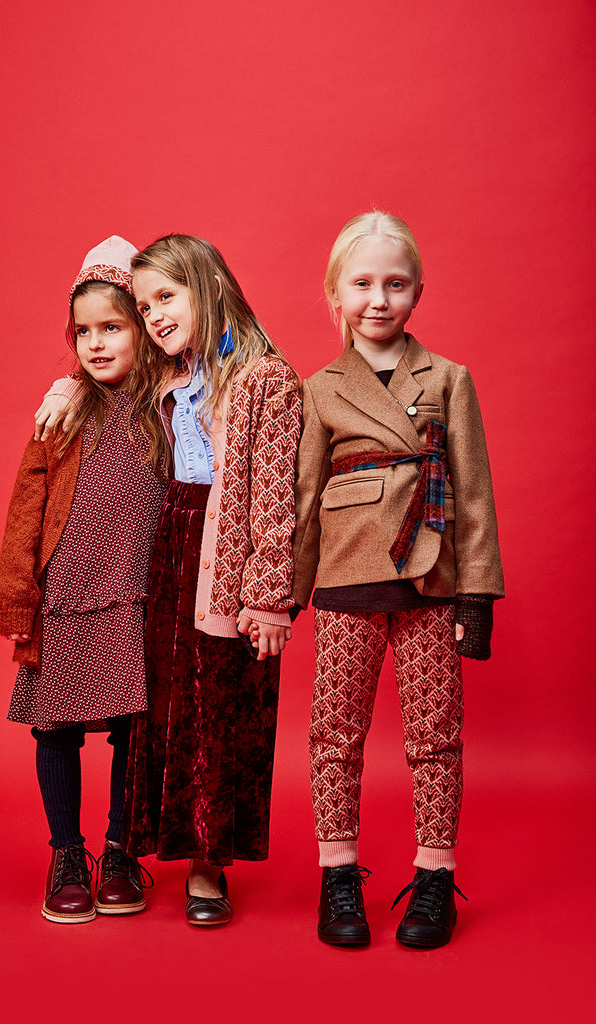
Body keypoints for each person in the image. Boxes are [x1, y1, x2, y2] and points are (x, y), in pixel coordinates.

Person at [36, 234, 301, 926]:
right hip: (169, 547)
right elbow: (105, 369)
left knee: (218, 710)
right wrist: (67, 379)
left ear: (207, 286)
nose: (152, 315)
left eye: (164, 298)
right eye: (144, 303)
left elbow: (277, 499)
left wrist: (269, 594)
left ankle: (206, 864)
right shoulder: (170, 377)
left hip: (224, 549)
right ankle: (135, 845)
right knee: (163, 711)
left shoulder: (261, 377)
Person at [293, 211, 504, 949]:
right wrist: (275, 601)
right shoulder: (318, 389)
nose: (377, 298)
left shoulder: (447, 378)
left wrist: (474, 594)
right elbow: (299, 502)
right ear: (334, 295)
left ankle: (435, 878)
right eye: (361, 283)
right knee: (333, 736)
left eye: (394, 283)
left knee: (434, 734)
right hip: (346, 577)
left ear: (417, 293)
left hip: (429, 578)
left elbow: (472, 493)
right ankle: (337, 876)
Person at [0, 237, 167, 924]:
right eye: (84, 332)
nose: (96, 344)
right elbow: (24, 505)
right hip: (67, 591)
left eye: (112, 327)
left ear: (143, 330)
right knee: (56, 727)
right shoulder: (62, 410)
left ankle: (121, 849)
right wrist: (16, 594)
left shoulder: (171, 401)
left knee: (133, 726)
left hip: (137, 591)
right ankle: (67, 852)